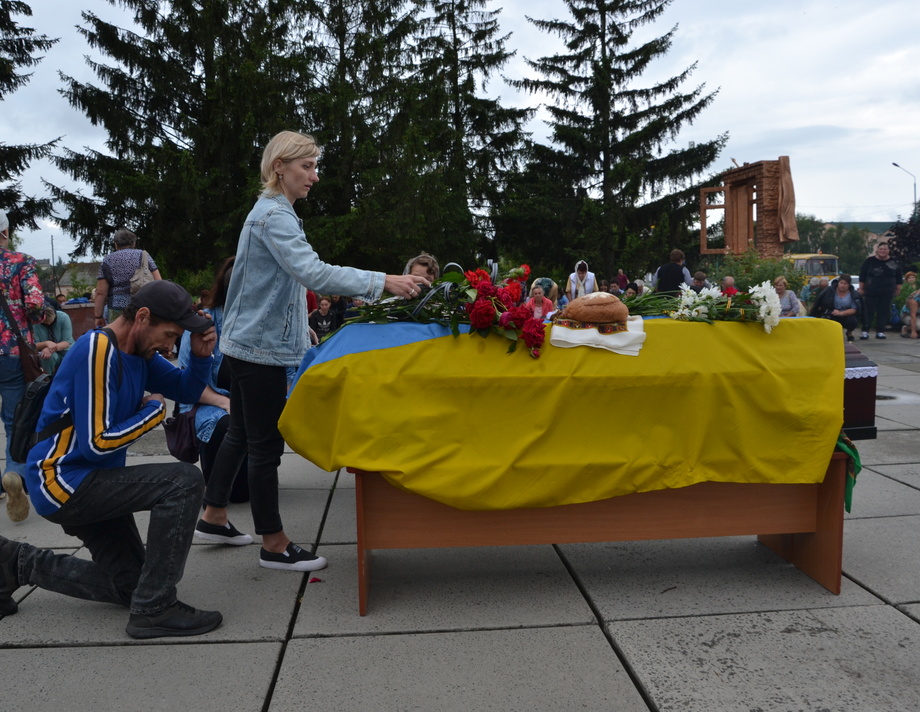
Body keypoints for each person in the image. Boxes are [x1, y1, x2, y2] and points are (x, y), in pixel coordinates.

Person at [195, 130, 428, 573]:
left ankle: (213, 515)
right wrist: (386, 281)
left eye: (315, 166)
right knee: (265, 445)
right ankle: (275, 545)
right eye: (307, 166)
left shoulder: (273, 213)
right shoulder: (274, 217)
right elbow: (312, 272)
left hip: (248, 343)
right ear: (279, 166)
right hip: (258, 348)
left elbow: (279, 287)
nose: (315, 176)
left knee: (243, 433)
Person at [0, 280, 222, 638]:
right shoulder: (98, 348)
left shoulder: (141, 354)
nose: (170, 345)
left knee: (134, 588)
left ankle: (14, 563)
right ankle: (157, 609)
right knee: (183, 481)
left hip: (92, 481)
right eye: (169, 334)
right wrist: (153, 412)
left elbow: (188, 389)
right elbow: (97, 444)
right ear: (143, 317)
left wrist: (199, 356)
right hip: (63, 482)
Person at [177, 257, 249, 504]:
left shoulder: (259, 326)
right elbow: (189, 383)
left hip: (248, 405)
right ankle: (215, 486)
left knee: (245, 494)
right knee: (227, 423)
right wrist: (227, 404)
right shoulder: (203, 323)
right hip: (210, 404)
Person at [0, 208, 45, 523]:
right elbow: (35, 306)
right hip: (12, 352)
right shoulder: (20, 263)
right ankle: (14, 472)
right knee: (16, 421)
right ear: (5, 232)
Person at [94, 228, 163, 327]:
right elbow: (159, 283)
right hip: (142, 307)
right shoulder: (143, 255)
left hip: (116, 309)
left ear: (116, 244)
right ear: (134, 243)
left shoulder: (107, 260)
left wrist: (98, 316)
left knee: (118, 338)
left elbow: (100, 292)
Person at [858, 241, 902, 339]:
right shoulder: (869, 261)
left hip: (887, 291)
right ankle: (865, 331)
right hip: (870, 291)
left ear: (888, 251)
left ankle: (880, 331)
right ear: (877, 250)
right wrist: (861, 288)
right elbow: (862, 276)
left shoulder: (894, 262)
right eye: (881, 249)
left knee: (884, 311)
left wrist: (898, 289)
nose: (883, 251)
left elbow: (899, 277)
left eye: (885, 249)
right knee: (868, 312)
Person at [810, 274, 863, 342]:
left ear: (849, 285)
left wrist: (841, 313)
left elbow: (854, 309)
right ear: (838, 283)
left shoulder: (853, 294)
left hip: (846, 314)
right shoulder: (829, 290)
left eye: (845, 284)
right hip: (832, 313)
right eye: (841, 283)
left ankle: (849, 332)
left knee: (852, 321)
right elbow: (820, 301)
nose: (842, 285)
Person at [33, 305, 73, 374]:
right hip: (46, 353)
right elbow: (34, 345)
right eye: (45, 323)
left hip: (65, 351)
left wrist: (50, 348)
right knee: (46, 356)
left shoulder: (64, 317)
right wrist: (46, 343)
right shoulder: (35, 322)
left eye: (51, 323)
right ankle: (47, 379)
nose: (48, 324)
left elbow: (67, 341)